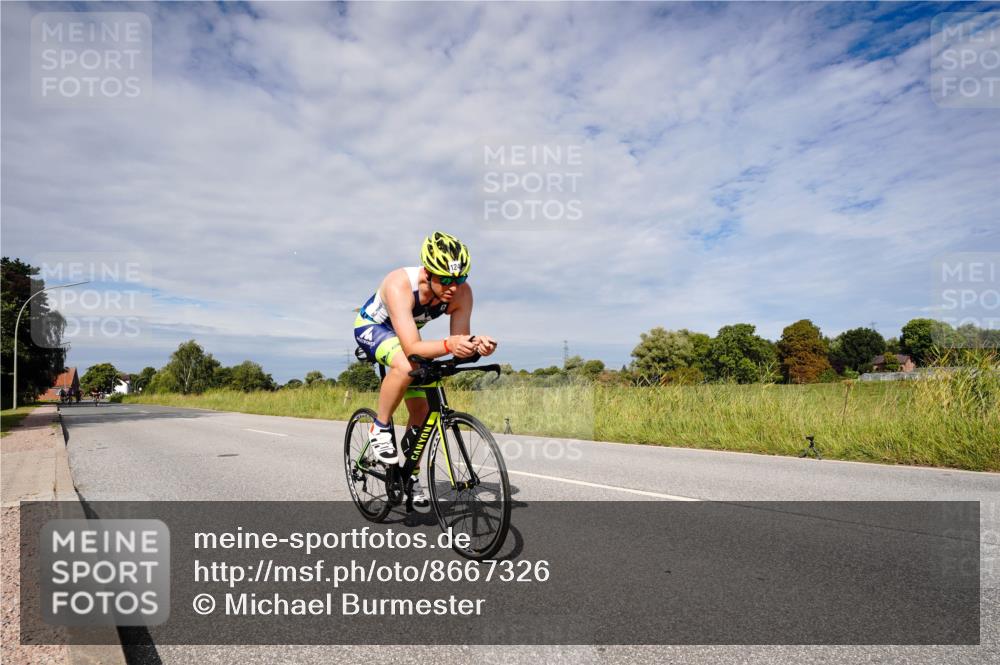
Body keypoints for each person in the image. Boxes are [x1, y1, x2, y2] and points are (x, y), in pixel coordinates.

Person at [353, 231, 497, 511]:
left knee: (422, 411)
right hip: (375, 328)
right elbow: (412, 348)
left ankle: (411, 477)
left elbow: (458, 344)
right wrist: (449, 344)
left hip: (410, 337)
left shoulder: (462, 294)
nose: (453, 287)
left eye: (460, 279)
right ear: (427, 272)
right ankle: (380, 427)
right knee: (408, 363)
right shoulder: (399, 284)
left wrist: (476, 345)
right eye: (445, 279)